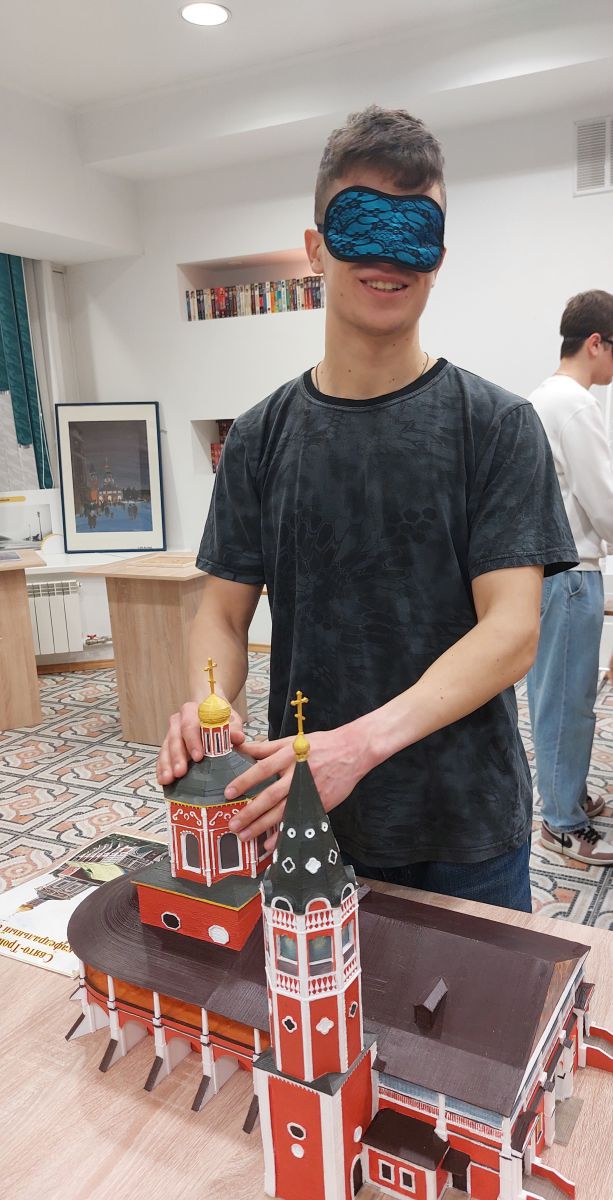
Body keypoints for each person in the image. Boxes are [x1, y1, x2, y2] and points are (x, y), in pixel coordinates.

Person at [157, 105, 578, 912]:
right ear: (315, 246)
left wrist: (354, 747)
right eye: (361, 225)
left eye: (413, 231)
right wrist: (208, 706)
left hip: (463, 827)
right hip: (302, 820)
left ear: (438, 256)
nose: (388, 257)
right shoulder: (258, 437)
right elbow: (220, 612)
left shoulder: (496, 426)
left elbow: (511, 631)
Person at [527, 290, 613, 866]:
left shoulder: (542, 396)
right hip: (573, 574)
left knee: (556, 699)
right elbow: (604, 503)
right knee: (566, 703)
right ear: (595, 343)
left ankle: (569, 797)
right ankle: (561, 825)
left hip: (552, 573)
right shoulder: (577, 405)